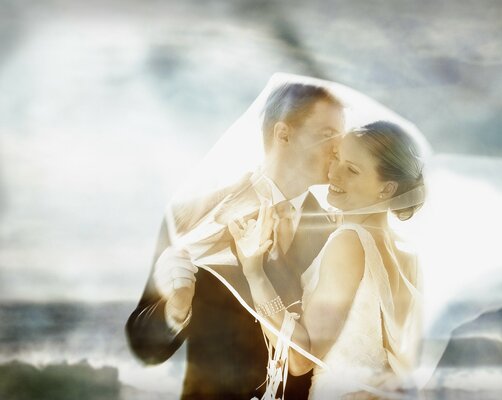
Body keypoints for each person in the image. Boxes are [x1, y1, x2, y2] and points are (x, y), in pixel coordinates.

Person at [126, 81, 345, 399]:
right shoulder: (195, 216)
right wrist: (176, 307)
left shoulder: (339, 234)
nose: (340, 148)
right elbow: (146, 346)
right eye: (328, 135)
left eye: (342, 136)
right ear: (283, 134)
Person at [229, 120, 425, 399]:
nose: (334, 173)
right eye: (337, 158)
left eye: (352, 169)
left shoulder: (349, 242)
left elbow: (300, 359)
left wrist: (255, 273)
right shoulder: (406, 252)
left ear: (387, 189)